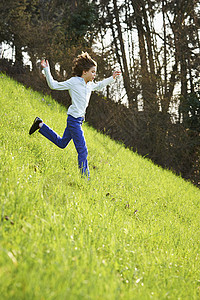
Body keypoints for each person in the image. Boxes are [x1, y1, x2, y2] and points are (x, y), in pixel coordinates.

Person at [29, 52, 121, 178]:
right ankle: (85, 179)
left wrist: (112, 78)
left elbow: (99, 86)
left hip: (78, 121)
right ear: (84, 72)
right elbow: (54, 85)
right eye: (93, 72)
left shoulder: (89, 85)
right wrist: (46, 70)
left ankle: (40, 125)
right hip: (73, 121)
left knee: (62, 143)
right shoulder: (74, 82)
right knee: (83, 150)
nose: (94, 75)